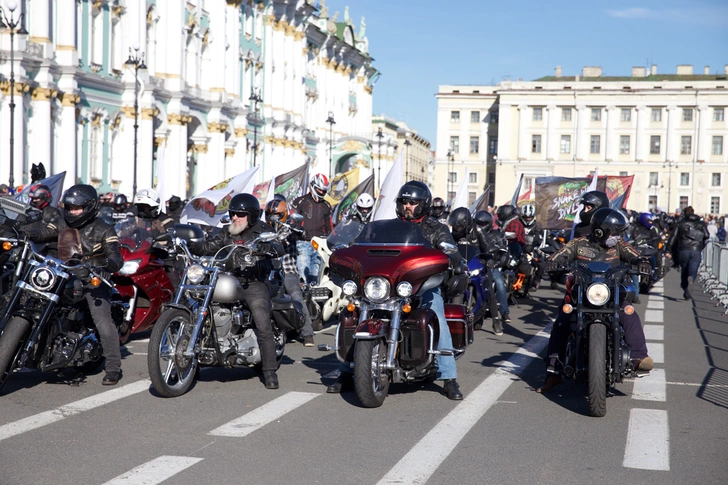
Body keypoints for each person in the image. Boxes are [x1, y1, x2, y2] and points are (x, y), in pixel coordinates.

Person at [327, 181, 466, 400]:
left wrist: (451, 255)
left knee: (437, 314)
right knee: (352, 315)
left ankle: (449, 377)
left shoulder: (435, 227)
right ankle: (346, 372)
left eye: (413, 202)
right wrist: (346, 248)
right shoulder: (385, 227)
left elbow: (448, 247)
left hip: (422, 285)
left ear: (423, 204)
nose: (408, 206)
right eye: (404, 202)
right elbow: (361, 243)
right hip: (386, 285)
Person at [537, 208, 653, 393]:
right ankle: (554, 371)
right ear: (600, 231)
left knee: (629, 315)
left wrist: (643, 262)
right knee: (562, 321)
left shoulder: (619, 245)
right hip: (583, 294)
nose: (616, 236)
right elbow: (561, 254)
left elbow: (635, 255)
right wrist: (552, 261)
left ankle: (638, 358)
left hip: (610, 294)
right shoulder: (578, 243)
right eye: (614, 232)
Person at [191, 193, 284, 389]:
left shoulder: (263, 230)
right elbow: (210, 245)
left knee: (260, 316)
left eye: (240, 214)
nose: (234, 217)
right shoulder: (227, 232)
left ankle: (269, 371)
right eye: (233, 213)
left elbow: (278, 246)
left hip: (254, 281)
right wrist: (190, 244)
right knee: (197, 303)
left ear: (251, 215)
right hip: (228, 278)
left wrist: (268, 248)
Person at [50, 185, 124, 385]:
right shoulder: (61, 222)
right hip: (63, 274)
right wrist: (20, 229)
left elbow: (115, 255)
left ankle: (113, 367)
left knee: (102, 319)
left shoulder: (104, 228)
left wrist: (105, 265)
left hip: (92, 277)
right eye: (70, 207)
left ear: (90, 207)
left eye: (78, 208)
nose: (73, 211)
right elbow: (42, 231)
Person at [265, 195, 315, 347]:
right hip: (268, 270)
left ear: (284, 214)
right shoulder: (264, 229)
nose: (273, 218)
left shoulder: (290, 227)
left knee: (296, 295)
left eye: (277, 215)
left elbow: (304, 234)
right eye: (271, 215)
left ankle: (308, 334)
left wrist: (300, 230)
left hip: (287, 270)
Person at [453, 208, 511, 335]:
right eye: (455, 226)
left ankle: (496, 321)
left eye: (458, 226)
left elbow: (488, 246)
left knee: (489, 289)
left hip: (479, 264)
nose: (456, 228)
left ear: (465, 224)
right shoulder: (454, 233)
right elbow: (449, 246)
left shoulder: (477, 230)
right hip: (460, 266)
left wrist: (490, 259)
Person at [291, 174, 333, 285]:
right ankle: (302, 293)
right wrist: (296, 226)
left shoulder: (327, 205)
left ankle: (313, 295)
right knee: (304, 271)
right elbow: (292, 218)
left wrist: (332, 238)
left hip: (320, 243)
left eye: (323, 191)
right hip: (304, 241)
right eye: (319, 189)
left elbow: (329, 225)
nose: (321, 193)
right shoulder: (300, 201)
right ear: (313, 186)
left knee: (316, 274)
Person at [667, 206, 709, 300]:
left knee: (684, 270)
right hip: (696, 250)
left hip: (683, 250)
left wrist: (668, 249)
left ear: (684, 213)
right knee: (693, 271)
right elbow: (707, 236)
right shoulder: (701, 224)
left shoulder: (680, 223)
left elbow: (673, 237)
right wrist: (700, 247)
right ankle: (690, 283)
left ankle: (685, 288)